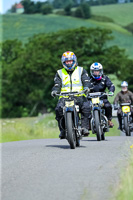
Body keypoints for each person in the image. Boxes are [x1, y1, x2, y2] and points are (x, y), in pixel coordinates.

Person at [51, 51, 91, 139]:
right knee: (58, 110)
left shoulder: (81, 70)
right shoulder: (59, 73)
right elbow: (57, 84)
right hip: (64, 97)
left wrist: (86, 88)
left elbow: (86, 81)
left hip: (79, 96)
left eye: (70, 61)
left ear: (74, 61)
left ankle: (84, 127)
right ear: (63, 62)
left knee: (86, 107)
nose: (69, 63)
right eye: (67, 61)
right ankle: (62, 130)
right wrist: (54, 91)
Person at [88, 62, 115, 127]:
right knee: (86, 108)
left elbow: (111, 85)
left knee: (108, 106)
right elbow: (84, 87)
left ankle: (109, 120)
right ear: (92, 72)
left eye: (98, 71)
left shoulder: (105, 78)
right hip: (91, 98)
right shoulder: (89, 79)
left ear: (101, 71)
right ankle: (88, 123)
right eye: (94, 71)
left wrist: (111, 91)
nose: (96, 73)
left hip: (102, 98)